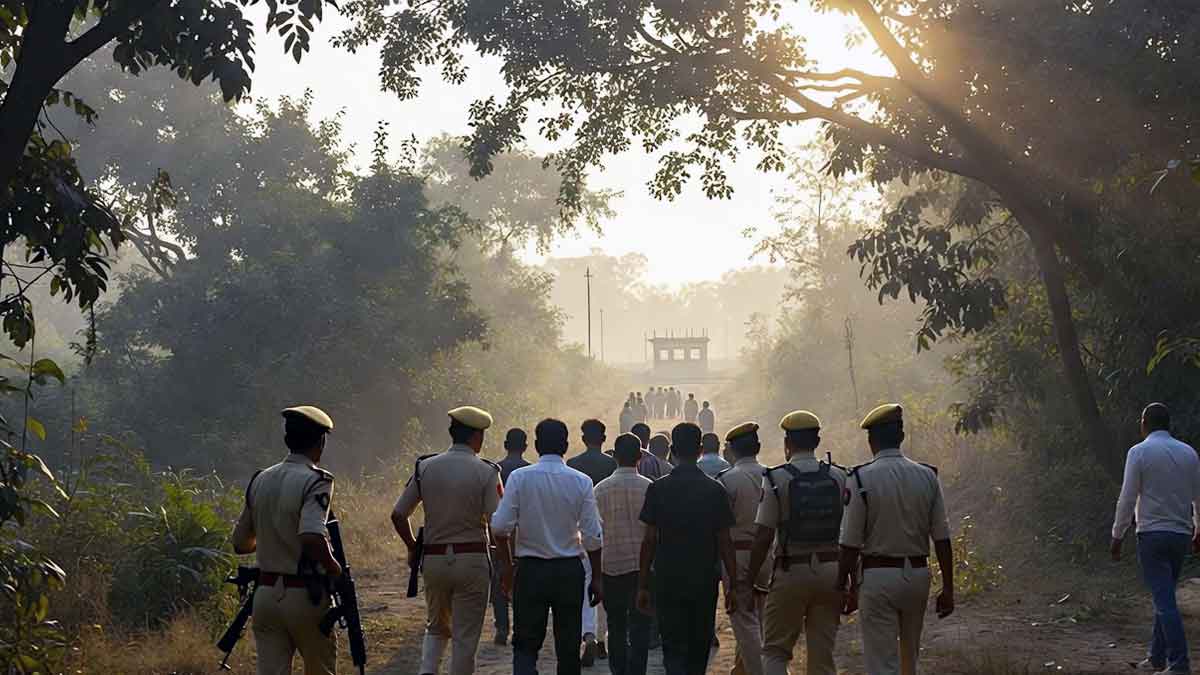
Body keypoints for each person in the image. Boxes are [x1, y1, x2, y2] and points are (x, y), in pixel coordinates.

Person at [836, 404, 953, 675]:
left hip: (877, 578)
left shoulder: (861, 477)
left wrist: (844, 586)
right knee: (909, 658)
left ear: (870, 440)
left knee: (881, 662)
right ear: (901, 436)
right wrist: (948, 588)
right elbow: (942, 537)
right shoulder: (927, 475)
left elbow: (850, 542)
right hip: (918, 576)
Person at [392, 406, 502, 675]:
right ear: (476, 436)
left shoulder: (425, 467)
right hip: (472, 561)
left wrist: (411, 547)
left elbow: (398, 514)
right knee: (465, 639)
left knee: (436, 628)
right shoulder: (487, 471)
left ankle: (427, 671)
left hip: (434, 560)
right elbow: (498, 524)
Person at [232, 406, 340, 675]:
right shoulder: (317, 480)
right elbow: (312, 536)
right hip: (305, 595)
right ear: (321, 442)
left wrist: (273, 541)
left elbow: (240, 543)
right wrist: (335, 569)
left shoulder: (261, 479)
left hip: (266, 596)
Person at [492, 418, 604, 675]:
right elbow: (592, 537)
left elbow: (499, 528)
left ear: (536, 445)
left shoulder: (520, 479)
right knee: (567, 646)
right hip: (568, 572)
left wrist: (508, 568)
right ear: (566, 445)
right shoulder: (581, 481)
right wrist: (596, 577)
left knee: (525, 645)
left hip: (531, 571)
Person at [747, 412, 845, 675]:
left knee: (776, 651)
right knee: (822, 655)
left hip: (791, 571)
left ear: (787, 443)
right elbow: (850, 535)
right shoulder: (839, 476)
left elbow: (764, 536)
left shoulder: (776, 478)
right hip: (831, 571)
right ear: (818, 440)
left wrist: (748, 581)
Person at [637, 422, 739, 675]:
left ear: (672, 450)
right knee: (699, 641)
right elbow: (725, 540)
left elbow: (649, 540)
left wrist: (642, 584)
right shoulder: (715, 489)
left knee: (671, 643)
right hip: (704, 578)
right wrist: (733, 585)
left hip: (668, 578)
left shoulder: (657, 488)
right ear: (701, 449)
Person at [1111, 403, 1200, 675]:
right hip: (1181, 535)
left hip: (1151, 535)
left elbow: (1127, 497)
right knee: (1166, 595)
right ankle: (1157, 656)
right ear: (1168, 424)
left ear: (1144, 423)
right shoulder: (1189, 453)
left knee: (1164, 600)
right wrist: (1199, 529)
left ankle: (1179, 664)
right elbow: (1198, 496)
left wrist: (1117, 534)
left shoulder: (1138, 452)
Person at [595, 433, 654, 675]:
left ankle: (618, 670)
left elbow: (594, 533)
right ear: (640, 457)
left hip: (612, 567)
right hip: (644, 569)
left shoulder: (600, 489)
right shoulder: (650, 487)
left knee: (616, 625)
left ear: (614, 456)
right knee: (641, 625)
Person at [717, 422, 771, 675]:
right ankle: (742, 670)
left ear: (730, 451)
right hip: (769, 553)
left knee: (743, 617)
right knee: (761, 614)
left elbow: (721, 529)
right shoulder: (775, 475)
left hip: (737, 554)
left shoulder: (726, 480)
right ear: (758, 447)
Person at [569, 420, 618, 665]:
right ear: (603, 437)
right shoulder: (611, 464)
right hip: (605, 532)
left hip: (577, 534)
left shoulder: (573, 465)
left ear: (582, 437)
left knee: (583, 585)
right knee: (603, 584)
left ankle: (586, 633)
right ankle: (600, 639)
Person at [491, 428, 531, 646]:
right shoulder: (530, 471)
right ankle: (520, 627)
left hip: (499, 534)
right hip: (524, 535)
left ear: (506, 445)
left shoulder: (495, 470)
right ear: (525, 447)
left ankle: (502, 627)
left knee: (499, 581)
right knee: (522, 584)